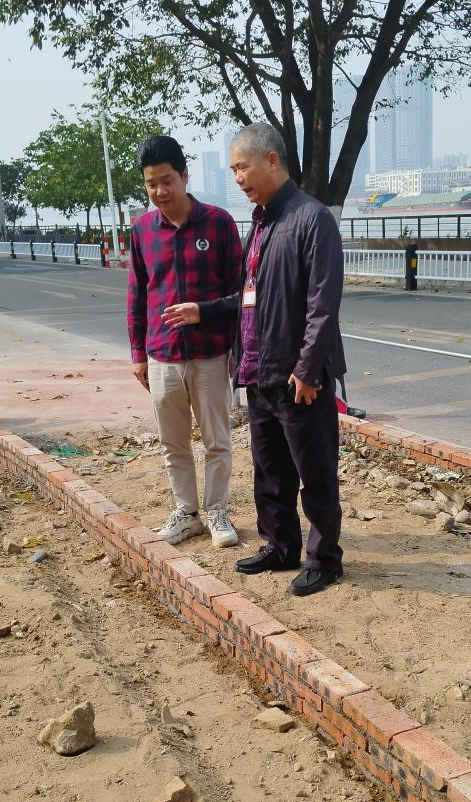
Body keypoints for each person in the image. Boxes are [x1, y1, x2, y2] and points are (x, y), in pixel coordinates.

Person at [197, 123, 347, 596]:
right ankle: (280, 545)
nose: (238, 178)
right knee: (270, 470)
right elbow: (250, 298)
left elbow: (323, 304)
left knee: (315, 473)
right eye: (233, 170)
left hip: (298, 377)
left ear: (272, 161)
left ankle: (324, 559)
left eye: (242, 167)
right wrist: (204, 311)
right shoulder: (261, 224)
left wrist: (307, 368)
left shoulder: (312, 219)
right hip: (258, 373)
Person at [127, 135, 244, 547]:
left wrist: (235, 347)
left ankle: (216, 511)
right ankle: (186, 513)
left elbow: (241, 294)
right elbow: (137, 296)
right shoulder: (142, 230)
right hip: (162, 356)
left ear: (184, 176)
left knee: (217, 441)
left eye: (167, 181)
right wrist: (138, 354)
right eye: (151, 184)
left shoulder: (218, 223)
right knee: (172, 443)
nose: (160, 191)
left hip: (210, 354)